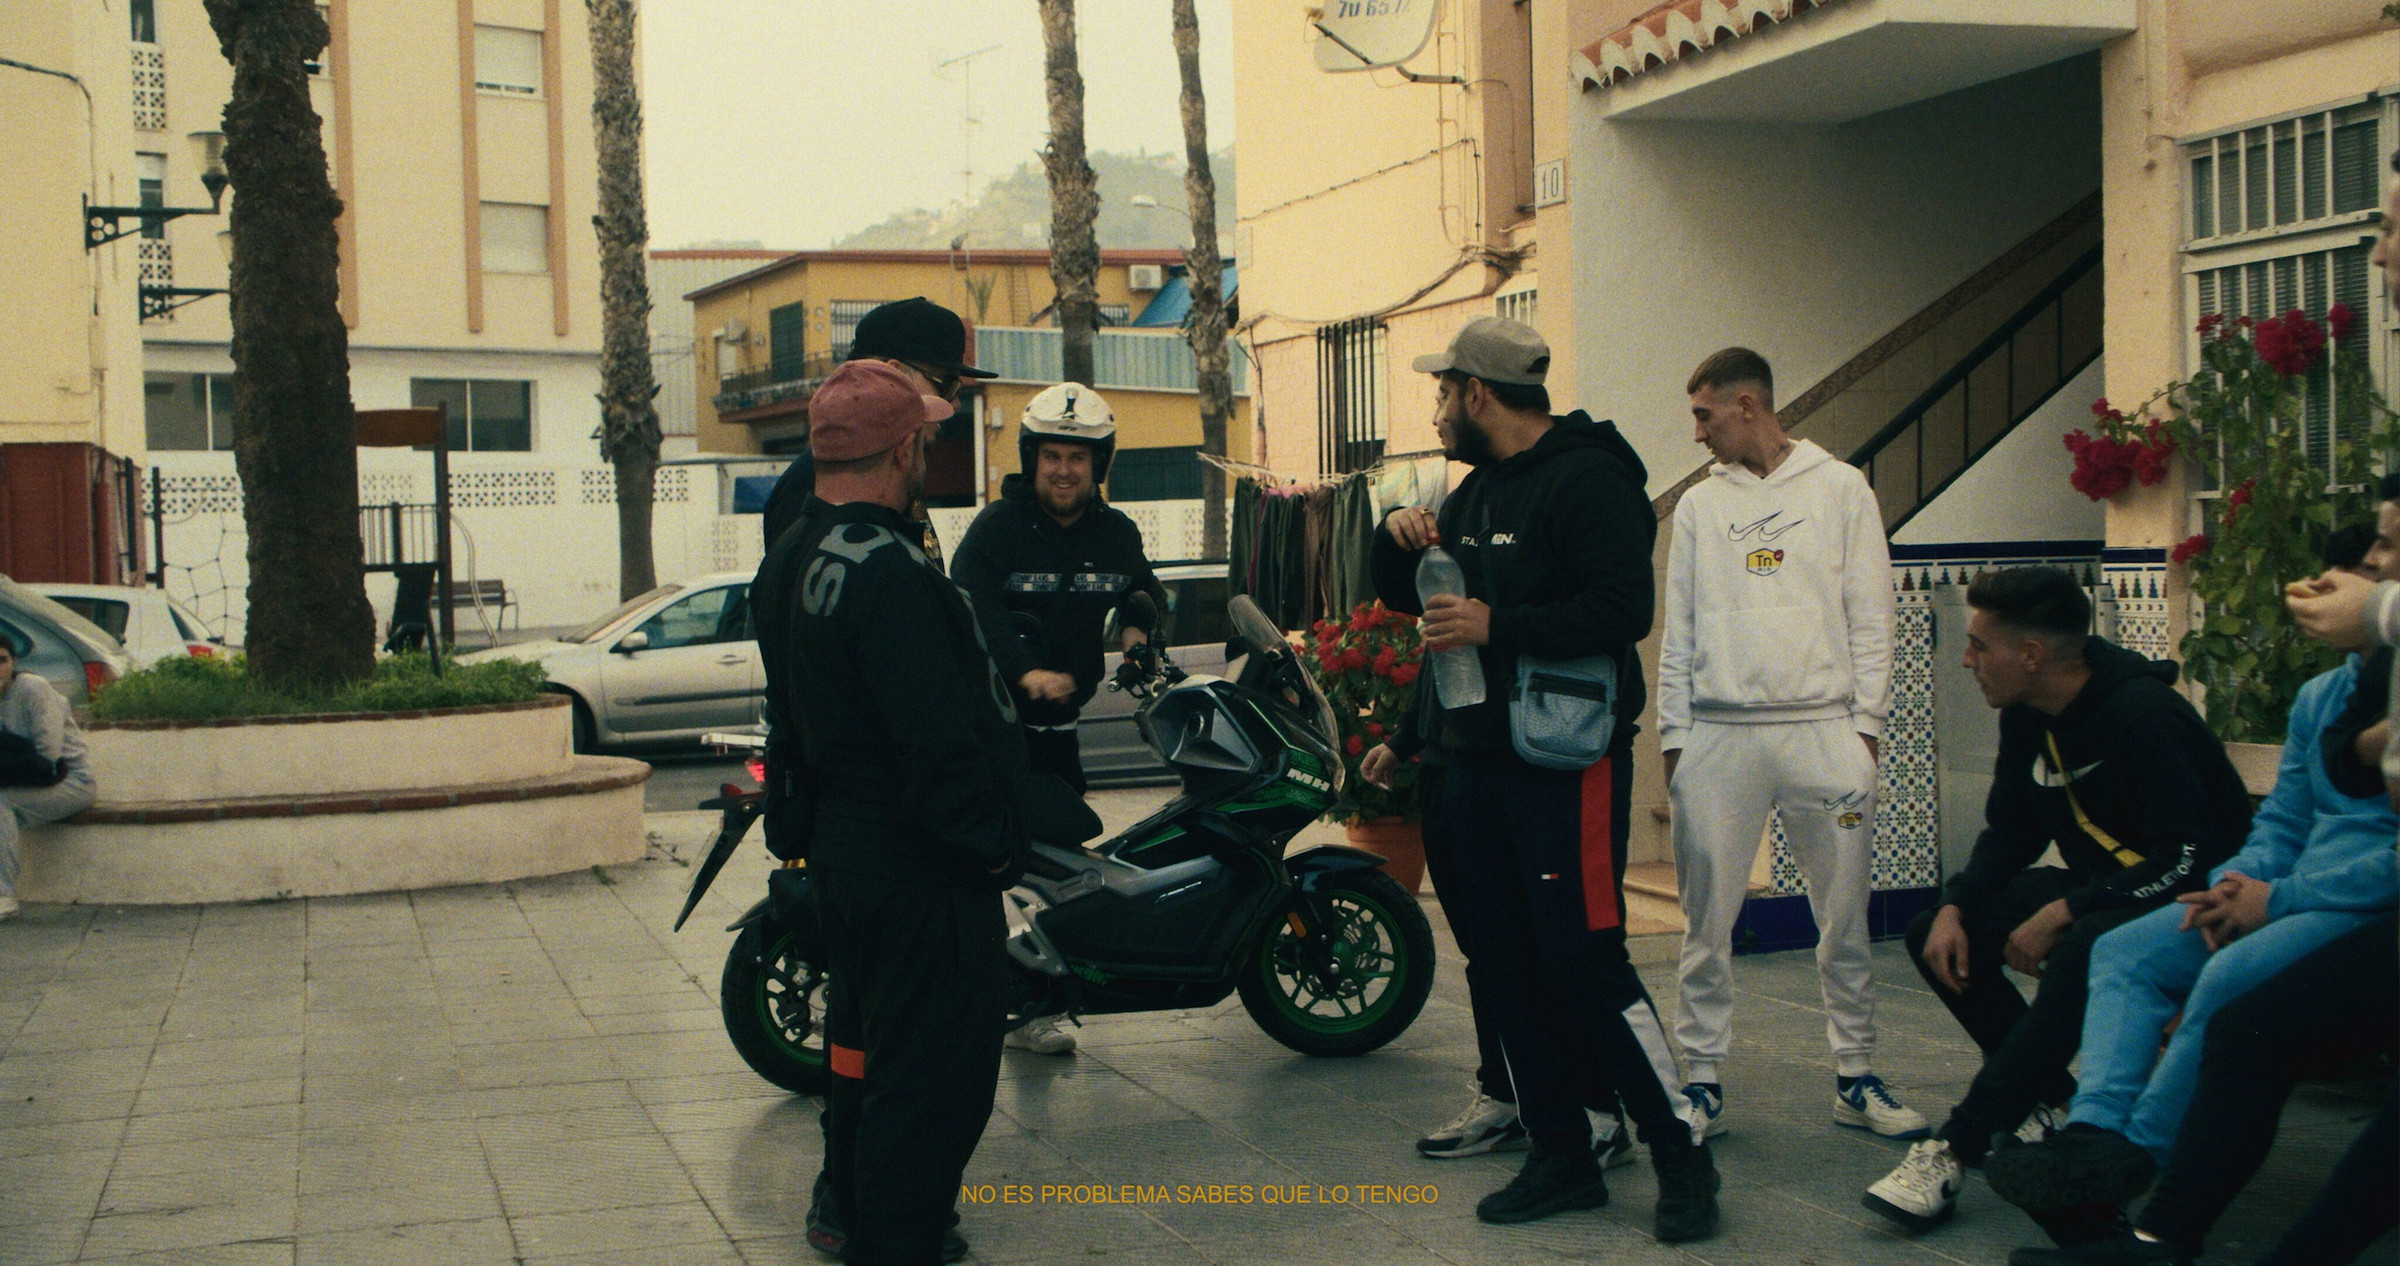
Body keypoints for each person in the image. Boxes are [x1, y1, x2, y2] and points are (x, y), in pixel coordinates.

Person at [1369, 315, 1720, 1241]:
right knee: (1506, 966)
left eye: (1444, 392)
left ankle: (1681, 1151)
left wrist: (1501, 626)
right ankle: (1560, 1155)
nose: (1438, 410)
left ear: (1479, 394)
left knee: (1585, 962)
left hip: (1567, 766)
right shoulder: (1475, 492)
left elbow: (1622, 608)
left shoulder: (1589, 479)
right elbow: (1415, 600)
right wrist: (1394, 539)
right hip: (1473, 763)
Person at [1985, 524, 2400, 1239]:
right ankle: (2093, 1137)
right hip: (2284, 891)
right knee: (2125, 951)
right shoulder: (2321, 697)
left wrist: (2278, 899)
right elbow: (2284, 821)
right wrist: (2237, 883)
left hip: (2357, 908)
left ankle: (2139, 1153)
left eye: (2369, 572)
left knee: (2227, 976)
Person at [1862, 567, 2250, 1239]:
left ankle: (1957, 1145)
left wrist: (2067, 910)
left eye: (1979, 644)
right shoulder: (2028, 714)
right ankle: (2052, 1101)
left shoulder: (2144, 716)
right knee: (1936, 934)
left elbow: (2186, 857)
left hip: (2195, 902)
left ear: (2032, 656)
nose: (1967, 659)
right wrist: (1955, 906)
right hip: (2110, 891)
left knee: (2082, 946)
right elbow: (2012, 830)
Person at [752, 360, 1030, 1266]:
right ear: (904, 449)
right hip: (921, 876)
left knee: (861, 1057)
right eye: (929, 439)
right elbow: (936, 743)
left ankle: (860, 1217)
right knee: (934, 1081)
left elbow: (789, 718)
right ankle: (897, 1240)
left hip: (845, 862)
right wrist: (994, 848)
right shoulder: (893, 571)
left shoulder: (789, 555)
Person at [1658, 347, 1923, 1141]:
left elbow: (1872, 617)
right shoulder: (1701, 506)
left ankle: (1857, 1075)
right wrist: (1676, 740)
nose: (1697, 433)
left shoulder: (1840, 488)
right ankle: (1701, 1081)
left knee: (1843, 916)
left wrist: (1864, 731)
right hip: (1720, 735)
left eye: (1704, 414)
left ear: (1747, 405)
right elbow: (1680, 630)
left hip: (1823, 731)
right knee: (1707, 921)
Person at [948, 382, 1166, 1056]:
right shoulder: (998, 529)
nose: (1064, 470)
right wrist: (1023, 671)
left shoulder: (1114, 532)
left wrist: (1137, 631)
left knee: (1057, 871)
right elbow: (971, 607)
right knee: (993, 867)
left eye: (1078, 458)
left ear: (1098, 465)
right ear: (1031, 458)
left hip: (1061, 732)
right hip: (993, 734)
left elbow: (1143, 590)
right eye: (1052, 456)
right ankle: (985, 998)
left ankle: (1032, 1000)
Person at [1362, 682, 1636, 1169]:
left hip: (1546, 755)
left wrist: (1494, 635)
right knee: (1489, 952)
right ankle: (1508, 1098)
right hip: (1456, 764)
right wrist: (1406, 737)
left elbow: (1606, 641)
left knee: (1570, 953)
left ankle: (1601, 1110)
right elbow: (1446, 657)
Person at [760, 296, 993, 552]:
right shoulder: (816, 481)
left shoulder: (894, 470)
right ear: (896, 375)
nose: (955, 403)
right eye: (946, 384)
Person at [0, 635, 99, 922]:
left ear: (14, 663)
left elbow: (49, 755)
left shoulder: (33, 689)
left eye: (2, 660)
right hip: (24, 783)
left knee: (1, 804)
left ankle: (4, 895)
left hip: (70, 781)